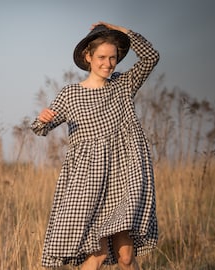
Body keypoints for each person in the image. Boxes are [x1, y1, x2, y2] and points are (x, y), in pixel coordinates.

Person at [31, 21, 159, 270]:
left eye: (113, 58)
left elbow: (151, 57)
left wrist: (120, 31)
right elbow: (40, 128)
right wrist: (42, 119)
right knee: (97, 255)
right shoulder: (70, 94)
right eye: (101, 57)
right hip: (90, 181)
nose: (108, 64)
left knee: (125, 256)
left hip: (125, 175)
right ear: (87, 56)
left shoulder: (123, 85)